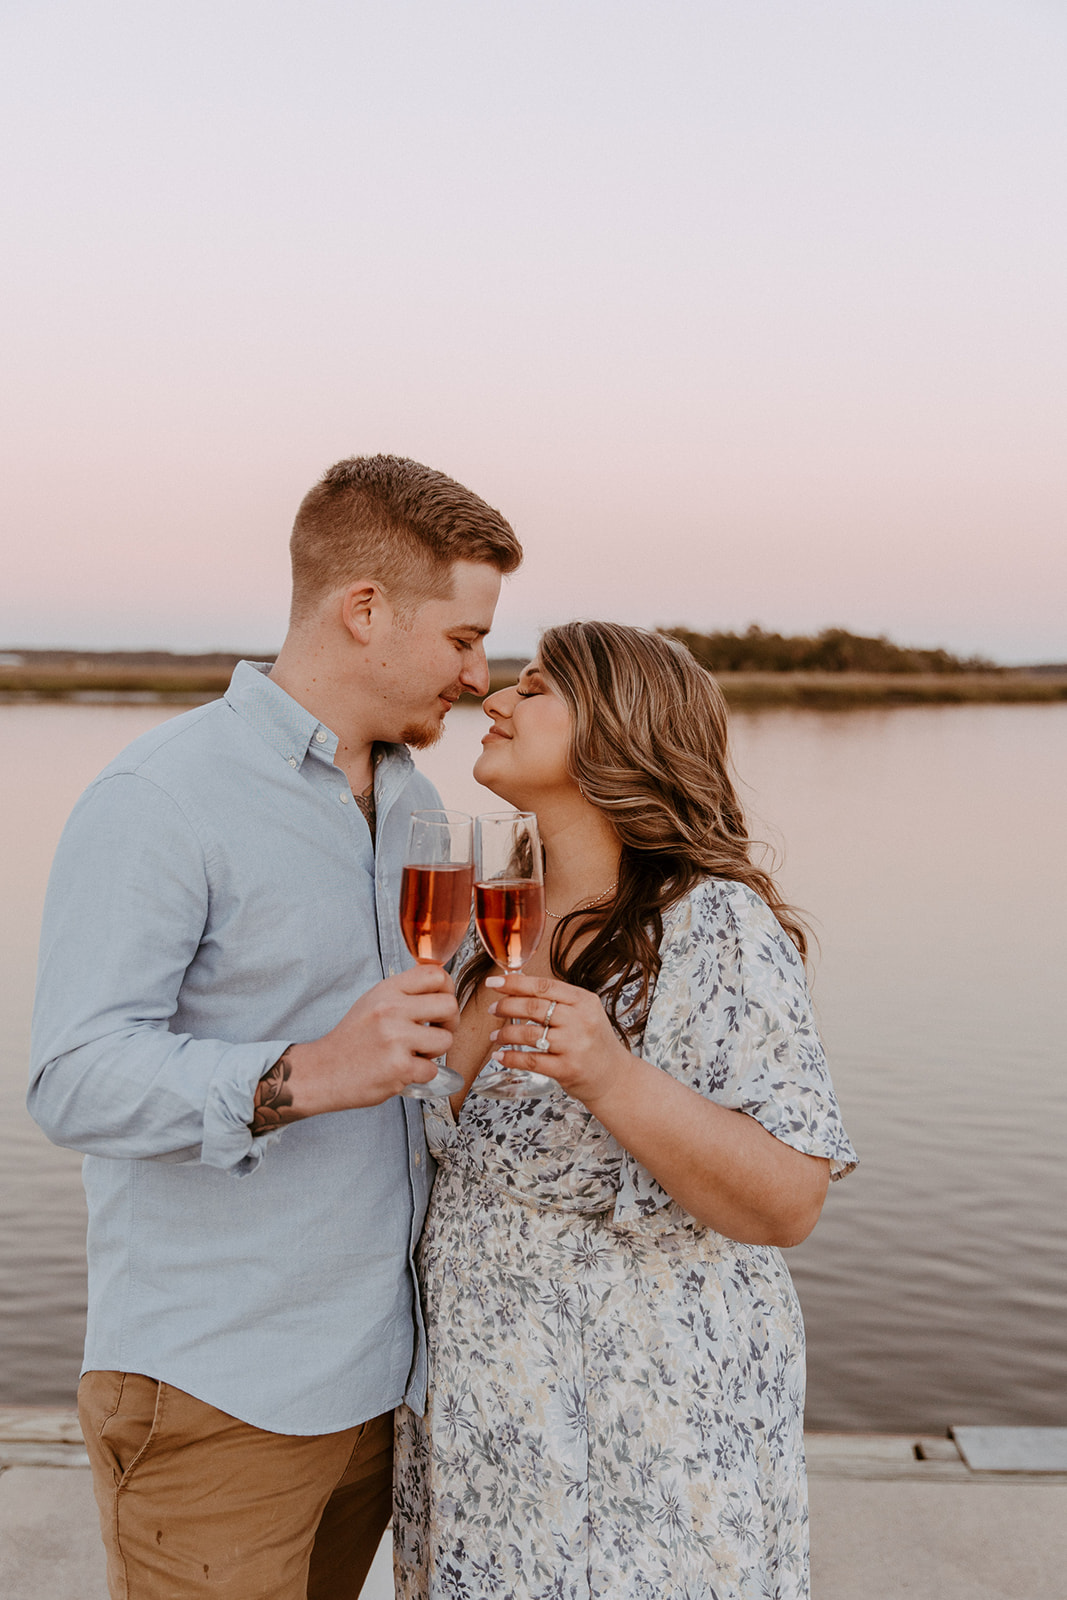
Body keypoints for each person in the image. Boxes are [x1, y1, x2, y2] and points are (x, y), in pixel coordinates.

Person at [28, 455, 522, 1600]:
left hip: (371, 1386)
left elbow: (417, 1050)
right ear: (364, 611)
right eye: (460, 638)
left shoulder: (415, 802)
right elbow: (73, 1076)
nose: (476, 673)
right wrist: (307, 1071)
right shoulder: (162, 796)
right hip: (218, 1395)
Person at [393, 620, 858, 1600]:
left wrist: (612, 1075)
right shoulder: (493, 923)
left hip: (641, 1460)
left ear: (618, 732)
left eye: (533, 688)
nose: (495, 700)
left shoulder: (707, 923)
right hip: (491, 1454)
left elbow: (788, 1200)